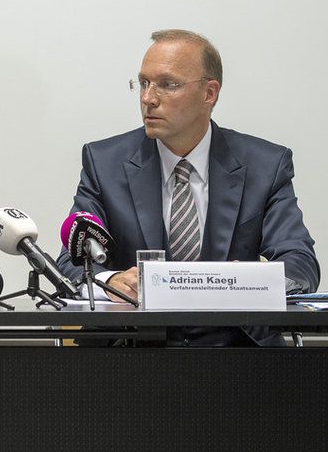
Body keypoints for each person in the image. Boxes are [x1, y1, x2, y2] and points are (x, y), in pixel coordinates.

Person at [56, 29, 320, 346]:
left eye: (167, 85)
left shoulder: (266, 165)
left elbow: (300, 263)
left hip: (237, 350)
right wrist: (111, 280)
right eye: (143, 83)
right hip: (131, 351)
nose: (147, 98)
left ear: (209, 93)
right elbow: (70, 263)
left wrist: (245, 282)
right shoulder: (105, 163)